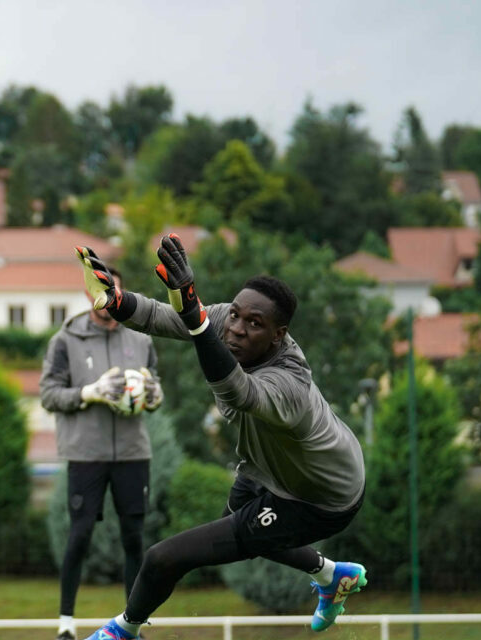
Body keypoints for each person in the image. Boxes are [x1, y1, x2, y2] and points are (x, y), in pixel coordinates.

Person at [73, 235, 367, 635]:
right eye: (235, 315)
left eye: (254, 324)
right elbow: (163, 316)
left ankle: (123, 629)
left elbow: (237, 391)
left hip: (321, 497)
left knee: (163, 558)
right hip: (272, 466)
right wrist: (115, 301)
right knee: (236, 524)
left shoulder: (290, 385)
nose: (237, 329)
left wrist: (195, 317)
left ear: (278, 335)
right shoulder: (230, 320)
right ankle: (332, 576)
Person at [40, 266, 165, 640]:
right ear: (88, 293)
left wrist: (154, 396)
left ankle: (133, 626)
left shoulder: (140, 338)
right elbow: (49, 394)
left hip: (132, 453)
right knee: (79, 535)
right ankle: (66, 624)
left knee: (133, 538)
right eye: (102, 291)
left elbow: (153, 383)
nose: (109, 299)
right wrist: (89, 393)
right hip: (86, 454)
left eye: (115, 292)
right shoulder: (66, 340)